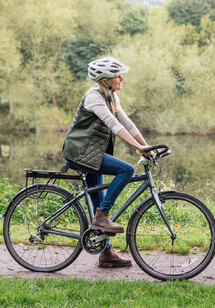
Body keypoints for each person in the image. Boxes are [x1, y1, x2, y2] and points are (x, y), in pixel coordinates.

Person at [62, 57, 152, 268]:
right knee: (126, 169)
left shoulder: (110, 96)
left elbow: (126, 123)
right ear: (105, 80)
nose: (121, 79)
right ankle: (102, 216)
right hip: (81, 154)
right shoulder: (94, 98)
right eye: (117, 76)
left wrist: (146, 146)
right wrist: (138, 148)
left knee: (98, 201)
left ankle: (106, 252)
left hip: (92, 154)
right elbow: (113, 125)